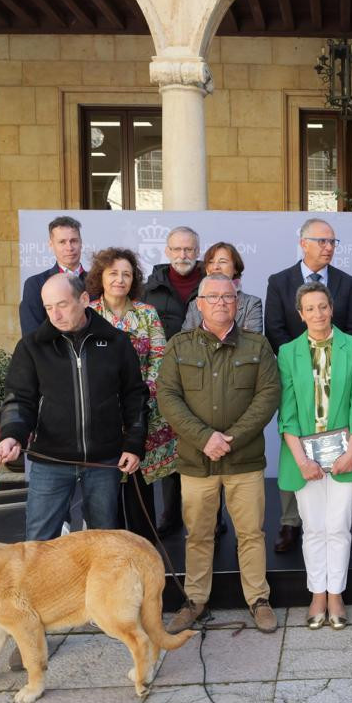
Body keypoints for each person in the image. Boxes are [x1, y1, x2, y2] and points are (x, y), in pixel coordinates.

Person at [157, 274, 282, 634]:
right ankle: (195, 599)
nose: (221, 303)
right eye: (213, 297)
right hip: (198, 462)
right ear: (199, 304)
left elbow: (267, 396)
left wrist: (231, 438)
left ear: (238, 303)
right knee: (198, 534)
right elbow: (168, 397)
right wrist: (204, 438)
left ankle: (258, 599)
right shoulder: (180, 347)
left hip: (244, 461)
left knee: (251, 533)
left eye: (228, 297)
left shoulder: (257, 347)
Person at [0, 273, 147, 541]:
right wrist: (12, 435)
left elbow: (134, 397)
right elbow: (19, 398)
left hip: (104, 461)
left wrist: (134, 444)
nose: (55, 315)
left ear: (85, 299)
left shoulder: (116, 342)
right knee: (38, 544)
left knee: (104, 543)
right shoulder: (32, 347)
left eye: (62, 305)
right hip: (50, 460)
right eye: (48, 307)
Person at [265, 218, 352, 553]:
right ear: (303, 242)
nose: (329, 247)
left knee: (336, 515)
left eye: (333, 242)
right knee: (296, 461)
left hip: (337, 388)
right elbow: (274, 330)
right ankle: (290, 524)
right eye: (322, 241)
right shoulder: (279, 282)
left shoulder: (347, 284)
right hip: (299, 382)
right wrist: (301, 364)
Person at [277, 281, 352, 629]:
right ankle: (317, 593)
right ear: (301, 315)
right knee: (314, 528)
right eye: (309, 309)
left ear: (331, 309)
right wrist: (301, 459)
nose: (317, 313)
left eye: (323, 306)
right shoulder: (287, 353)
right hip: (303, 456)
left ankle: (336, 594)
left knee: (339, 526)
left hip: (346, 454)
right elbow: (286, 413)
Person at [87, 248, 178, 543]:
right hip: (100, 419)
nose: (120, 279)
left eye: (126, 274)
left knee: (139, 497)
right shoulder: (88, 315)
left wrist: (140, 402)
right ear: (100, 276)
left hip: (142, 416)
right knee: (104, 498)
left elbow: (160, 360)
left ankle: (144, 556)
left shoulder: (146, 313)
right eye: (113, 273)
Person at [142, 225, 203, 537]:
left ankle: (209, 519)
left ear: (197, 251)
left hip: (204, 377)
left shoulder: (211, 283)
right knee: (167, 445)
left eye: (189, 249)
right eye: (177, 249)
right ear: (167, 252)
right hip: (164, 379)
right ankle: (170, 514)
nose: (183, 255)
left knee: (202, 444)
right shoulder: (148, 289)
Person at [19, 215, 87, 335]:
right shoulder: (35, 284)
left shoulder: (97, 281)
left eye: (74, 241)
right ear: (51, 245)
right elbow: (31, 335)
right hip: (54, 352)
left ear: (81, 243)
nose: (69, 247)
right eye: (62, 242)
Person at [182, 241, 262, 333]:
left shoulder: (251, 304)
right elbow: (185, 342)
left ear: (235, 268)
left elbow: (254, 343)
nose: (215, 267)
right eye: (211, 262)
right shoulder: (195, 304)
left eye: (222, 262)